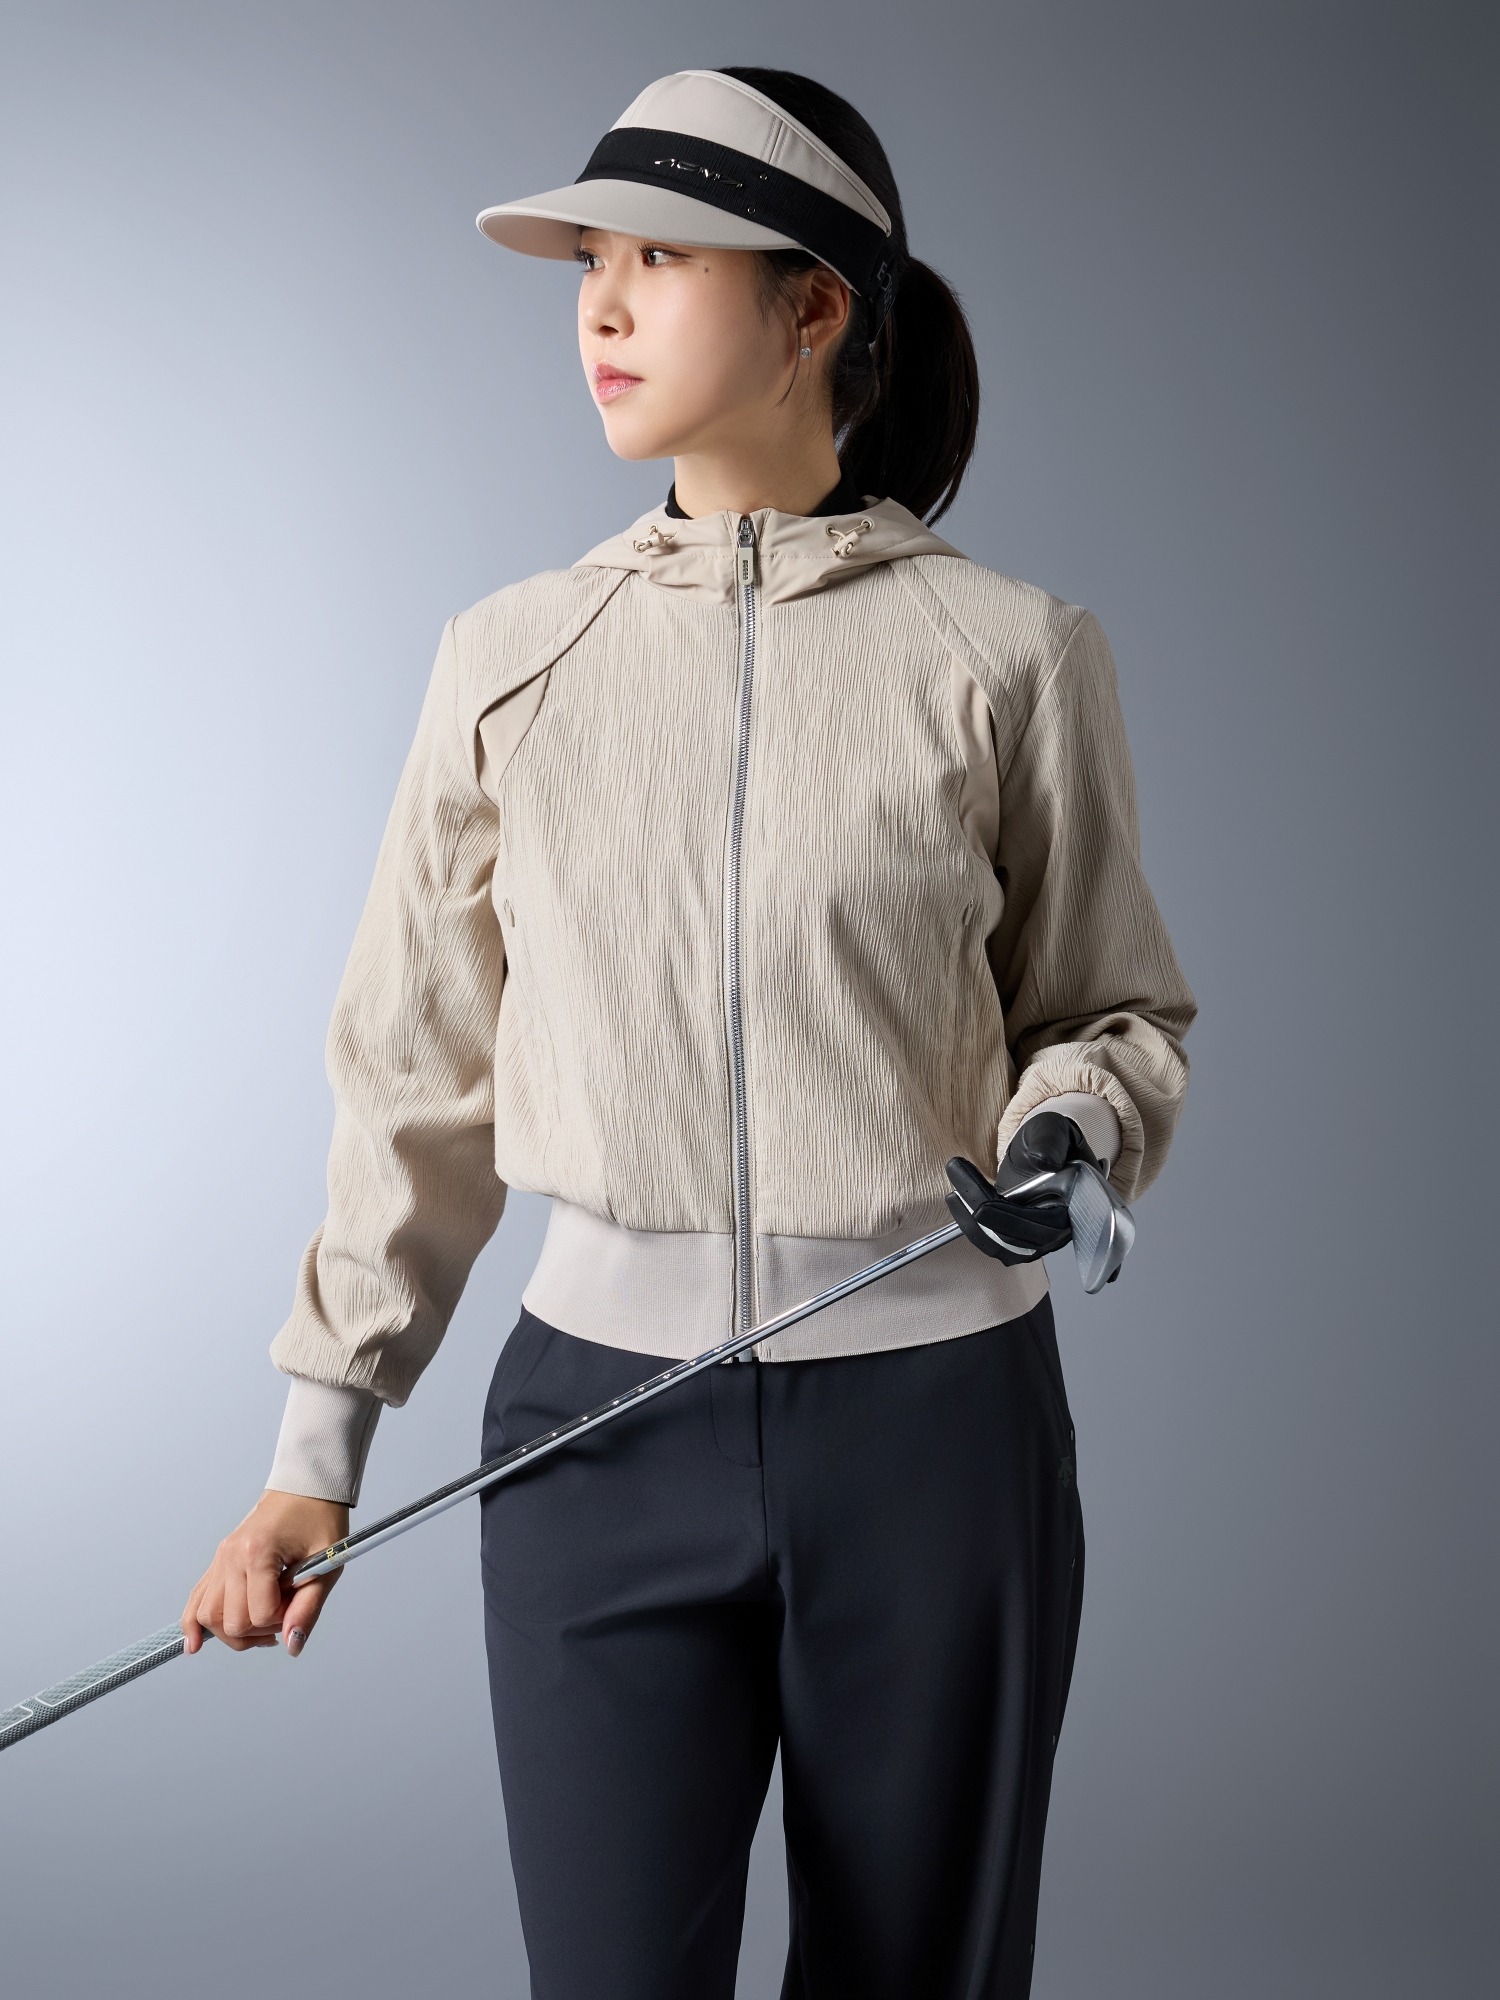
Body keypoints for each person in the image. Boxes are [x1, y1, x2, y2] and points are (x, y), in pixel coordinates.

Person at [180, 64, 1197, 1998]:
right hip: (595, 1435)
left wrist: (1070, 1133)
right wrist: (320, 1446)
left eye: (659, 258)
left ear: (815, 305)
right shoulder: (510, 659)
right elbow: (415, 1081)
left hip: (936, 1433)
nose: (603, 305)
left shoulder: (1008, 653)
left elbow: (1108, 1010)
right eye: (590, 263)